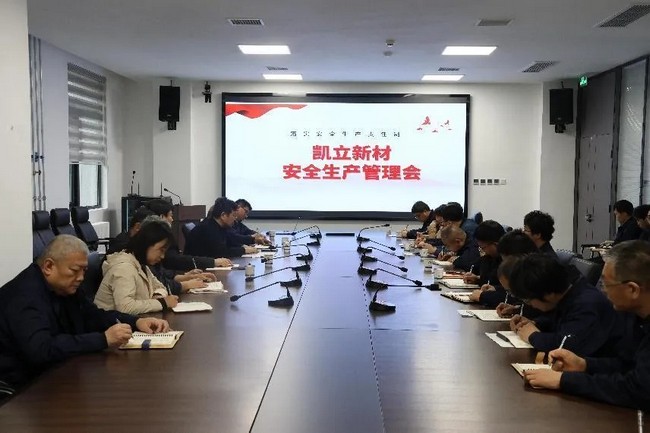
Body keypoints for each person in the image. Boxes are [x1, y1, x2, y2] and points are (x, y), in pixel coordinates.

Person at [0, 235, 169, 390]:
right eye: (75, 270)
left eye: (84, 271)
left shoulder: (65, 288)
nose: (81, 277)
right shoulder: (25, 296)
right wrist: (103, 339)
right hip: (20, 389)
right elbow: (42, 350)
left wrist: (136, 322)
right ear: (49, 266)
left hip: (57, 374)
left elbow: (94, 315)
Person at [524, 241, 650, 411]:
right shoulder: (635, 316)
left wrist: (563, 381)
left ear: (632, 290)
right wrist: (585, 365)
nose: (603, 291)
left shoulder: (603, 307)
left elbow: (639, 391)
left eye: (606, 284)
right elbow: (628, 365)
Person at [507, 253, 624, 357]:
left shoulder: (587, 304)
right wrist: (535, 323)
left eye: (528, 300)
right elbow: (559, 322)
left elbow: (567, 346)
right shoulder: (568, 293)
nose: (531, 305)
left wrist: (532, 336)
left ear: (549, 294)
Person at [94, 219, 179, 314]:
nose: (162, 256)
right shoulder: (124, 268)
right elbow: (125, 307)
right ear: (146, 244)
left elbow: (159, 286)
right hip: (110, 322)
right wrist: (162, 303)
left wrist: (158, 295)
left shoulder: (141, 264)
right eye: (161, 250)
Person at [145, 198, 232, 271]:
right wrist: (213, 262)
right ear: (161, 217)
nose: (172, 220)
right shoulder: (158, 238)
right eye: (170, 216)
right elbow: (173, 260)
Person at [185, 197, 258, 258]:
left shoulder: (220, 226)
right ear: (223, 215)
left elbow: (231, 242)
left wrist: (244, 247)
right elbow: (221, 253)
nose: (235, 219)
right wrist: (244, 250)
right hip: (196, 268)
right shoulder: (208, 228)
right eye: (233, 215)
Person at [466, 220, 506, 306]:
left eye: (483, 247)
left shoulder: (508, 261)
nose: (482, 251)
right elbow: (474, 267)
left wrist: (483, 296)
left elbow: (511, 294)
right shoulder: (490, 257)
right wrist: (477, 279)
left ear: (496, 244)